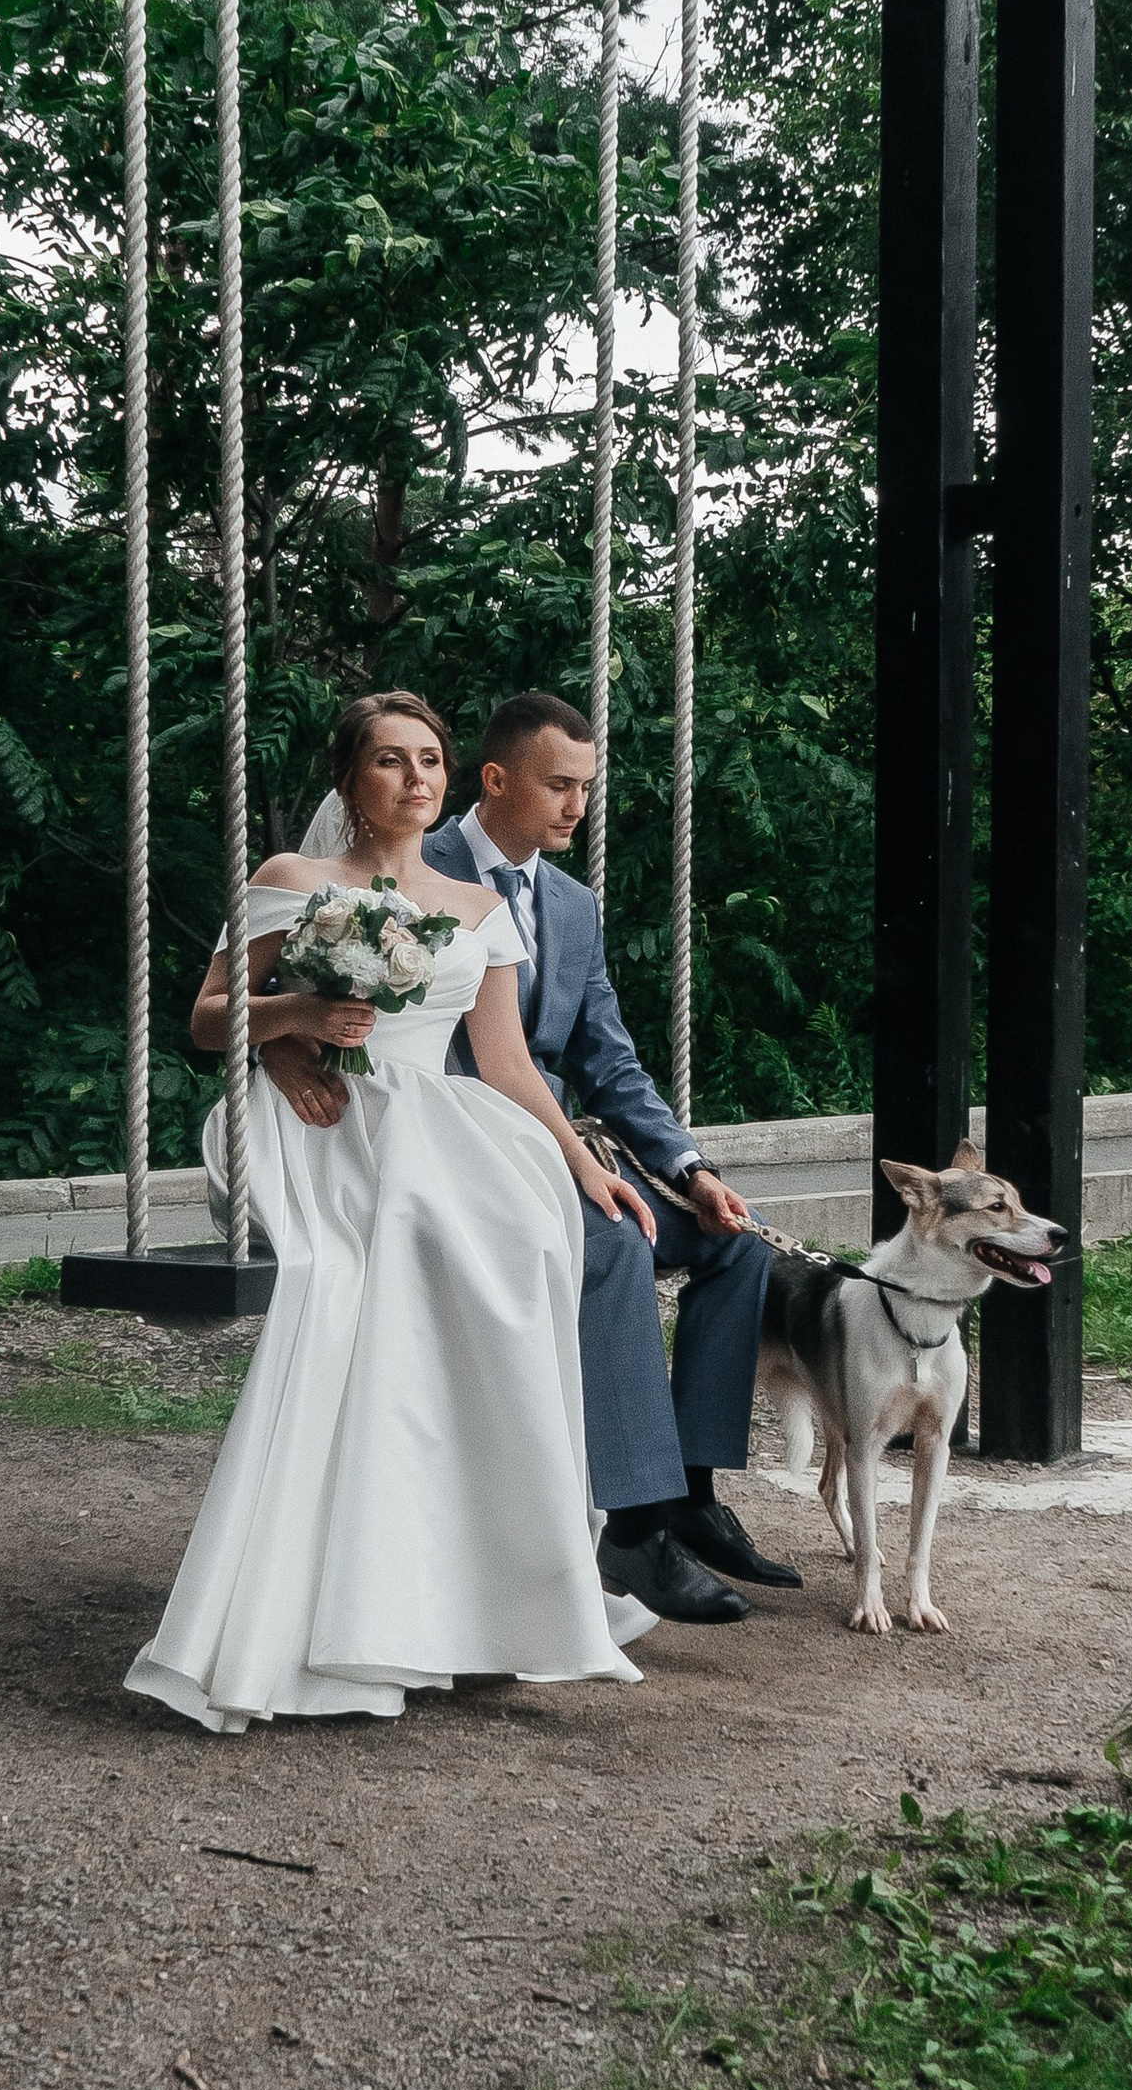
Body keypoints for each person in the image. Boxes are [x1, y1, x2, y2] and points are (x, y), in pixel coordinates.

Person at [122, 695, 658, 1733]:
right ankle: (348, 1604)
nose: (414, 780)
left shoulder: (477, 906)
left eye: (429, 761)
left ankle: (480, 1594)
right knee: (386, 1250)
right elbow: (203, 1019)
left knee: (520, 1235)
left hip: (436, 1114)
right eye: (387, 762)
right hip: (316, 1118)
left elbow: (502, 1062)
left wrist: (578, 1161)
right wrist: (297, 1022)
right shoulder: (292, 881)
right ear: (349, 780)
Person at [277, 690, 793, 1628]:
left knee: (735, 1243)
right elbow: (286, 998)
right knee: (613, 1244)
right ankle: (633, 1523)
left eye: (587, 789)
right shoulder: (399, 859)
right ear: (497, 780)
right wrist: (284, 1045)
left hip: (554, 1134)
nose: (576, 808)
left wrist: (687, 1167)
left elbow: (608, 1056)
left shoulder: (572, 904)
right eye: (560, 785)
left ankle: (689, 1486)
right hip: (449, 1134)